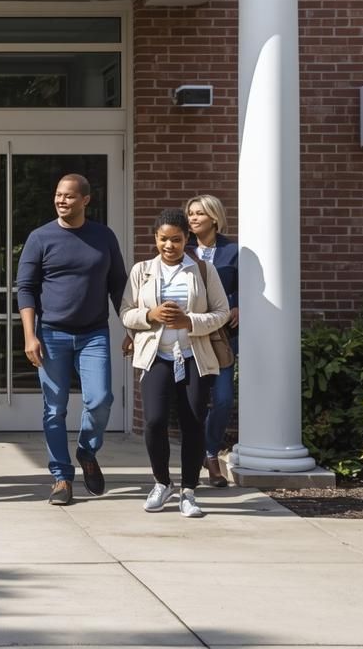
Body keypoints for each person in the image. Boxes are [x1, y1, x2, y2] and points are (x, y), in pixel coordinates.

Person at [16, 173, 127, 506]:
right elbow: (26, 289)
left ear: (85, 200)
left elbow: (118, 285)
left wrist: (131, 328)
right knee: (54, 409)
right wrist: (30, 335)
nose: (61, 200)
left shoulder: (103, 237)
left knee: (100, 399)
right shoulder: (41, 237)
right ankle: (61, 478)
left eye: (68, 196)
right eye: (58, 195)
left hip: (94, 333)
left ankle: (86, 451)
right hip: (51, 335)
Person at [121, 208, 231, 518]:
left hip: (194, 358)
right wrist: (149, 315)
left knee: (192, 423)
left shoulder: (204, 270)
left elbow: (222, 313)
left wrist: (189, 321)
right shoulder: (142, 270)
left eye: (177, 240)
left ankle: (189, 492)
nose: (170, 246)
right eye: (163, 240)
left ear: (187, 240)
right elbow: (126, 312)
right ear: (155, 238)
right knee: (154, 421)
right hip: (156, 357)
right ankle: (162, 482)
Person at [185, 194, 240, 489]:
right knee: (192, 402)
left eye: (199, 214)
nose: (193, 218)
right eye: (190, 214)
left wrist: (239, 305)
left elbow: (251, 284)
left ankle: (210, 453)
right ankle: (196, 458)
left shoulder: (233, 251)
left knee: (222, 399)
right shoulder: (184, 249)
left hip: (221, 337)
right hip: (190, 334)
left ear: (214, 218)